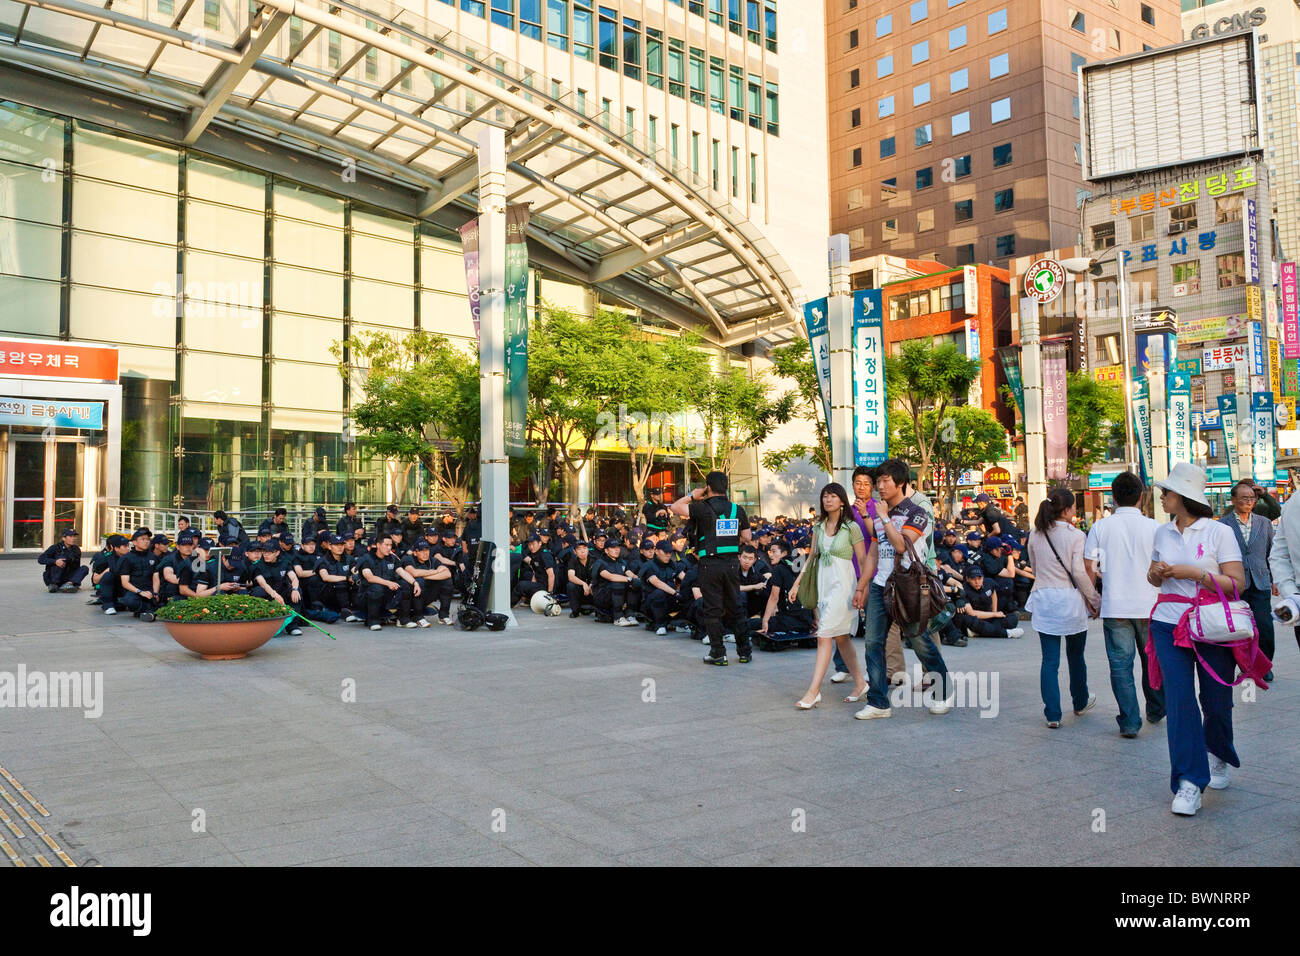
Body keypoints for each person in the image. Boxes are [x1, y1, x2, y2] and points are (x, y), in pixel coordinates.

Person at [1148, 463, 1249, 816]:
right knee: (1179, 702)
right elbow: (1154, 577)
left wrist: (1197, 574)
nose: (1161, 496)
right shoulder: (1162, 533)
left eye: (1167, 492)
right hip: (1167, 623)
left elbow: (1237, 582)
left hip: (1211, 625)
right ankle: (1189, 781)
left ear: (1184, 497)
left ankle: (1218, 752)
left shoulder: (1218, 532)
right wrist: (1155, 573)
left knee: (1216, 700)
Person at [854, 458, 954, 720]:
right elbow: (874, 554)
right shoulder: (879, 514)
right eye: (878, 482)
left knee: (920, 643)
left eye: (885, 481)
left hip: (908, 586)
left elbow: (901, 545)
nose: (880, 486)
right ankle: (878, 702)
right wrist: (861, 587)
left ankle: (943, 690)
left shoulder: (917, 512)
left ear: (900, 483)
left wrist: (884, 516)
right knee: (873, 644)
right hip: (880, 586)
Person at [1084, 471, 1165, 739]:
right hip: (1151, 606)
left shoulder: (1101, 527)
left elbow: (1089, 566)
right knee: (1151, 660)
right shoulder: (1155, 528)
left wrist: (1094, 597)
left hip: (1115, 606)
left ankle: (1130, 721)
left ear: (1113, 497)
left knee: (1120, 666)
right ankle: (1155, 709)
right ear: (1141, 497)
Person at [1027, 487, 1100, 730]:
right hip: (1069, 600)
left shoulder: (1035, 534)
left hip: (1044, 598)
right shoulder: (1076, 536)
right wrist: (1094, 599)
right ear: (1067, 510)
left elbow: (1035, 568)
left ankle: (1053, 714)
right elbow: (1079, 572)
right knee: (1076, 655)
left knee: (1049, 660)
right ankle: (1080, 702)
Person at [795, 483, 871, 709]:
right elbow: (811, 558)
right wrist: (797, 583)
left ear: (841, 501)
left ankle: (813, 691)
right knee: (841, 638)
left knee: (824, 635)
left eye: (833, 496)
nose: (828, 500)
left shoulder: (851, 527)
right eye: (825, 496)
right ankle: (860, 683)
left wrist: (862, 589)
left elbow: (863, 561)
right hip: (824, 585)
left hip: (844, 586)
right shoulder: (818, 526)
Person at [671, 471, 753, 665]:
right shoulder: (737, 509)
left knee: (713, 609)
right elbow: (747, 537)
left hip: (710, 564)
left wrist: (693, 495)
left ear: (708, 487)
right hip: (732, 563)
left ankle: (718, 653)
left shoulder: (701, 507)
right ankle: (744, 652)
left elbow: (675, 507)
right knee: (736, 607)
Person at [1219, 480, 1275, 682]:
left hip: (1260, 582)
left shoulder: (1264, 523)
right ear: (1233, 499)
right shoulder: (1222, 525)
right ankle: (1244, 666)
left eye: (1252, 498)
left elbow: (1271, 552)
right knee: (1238, 627)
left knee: (1264, 625)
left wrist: (1274, 578)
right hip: (1234, 583)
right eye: (1244, 498)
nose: (1249, 501)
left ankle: (1264, 666)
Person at [951, 565, 1024, 639]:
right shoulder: (964, 590)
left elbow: (993, 593)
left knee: (1013, 618)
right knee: (968, 620)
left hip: (988, 616)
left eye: (979, 578)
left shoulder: (989, 582)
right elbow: (971, 613)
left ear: (983, 577)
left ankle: (981, 632)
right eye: (973, 579)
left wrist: (994, 611)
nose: (977, 582)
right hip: (976, 618)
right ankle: (1007, 633)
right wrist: (994, 614)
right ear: (967, 579)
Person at [249, 543, 306, 636]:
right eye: (264, 552)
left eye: (269, 552)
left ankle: (292, 626)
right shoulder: (257, 566)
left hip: (281, 590)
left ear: (277, 553)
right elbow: (263, 584)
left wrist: (295, 589)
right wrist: (274, 595)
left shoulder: (285, 562)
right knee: (258, 592)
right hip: (267, 593)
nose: (266, 555)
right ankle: (267, 626)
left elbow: (294, 578)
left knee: (297, 592)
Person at [360, 537, 407, 631]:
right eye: (386, 545)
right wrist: (388, 583)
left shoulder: (392, 558)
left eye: (390, 545)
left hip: (386, 594)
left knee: (406, 585)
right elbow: (370, 577)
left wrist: (415, 582)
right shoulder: (366, 558)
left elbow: (402, 572)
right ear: (378, 545)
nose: (389, 548)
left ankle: (403, 618)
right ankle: (373, 620)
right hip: (367, 597)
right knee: (376, 587)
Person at [591, 537, 639, 626]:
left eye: (617, 547)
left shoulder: (622, 562)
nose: (616, 550)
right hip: (603, 596)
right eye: (613, 548)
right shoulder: (600, 563)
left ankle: (630, 615)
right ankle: (618, 617)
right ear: (606, 551)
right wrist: (629, 580)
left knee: (634, 585)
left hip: (618, 595)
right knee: (618, 583)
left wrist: (636, 579)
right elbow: (610, 577)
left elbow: (629, 573)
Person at [119, 528, 161, 622]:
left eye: (147, 539)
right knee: (128, 601)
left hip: (151, 590)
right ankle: (150, 610)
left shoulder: (153, 556)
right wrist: (140, 592)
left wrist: (155, 593)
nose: (146, 541)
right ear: (134, 542)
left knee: (165, 598)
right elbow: (125, 583)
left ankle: (146, 610)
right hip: (135, 591)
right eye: (142, 539)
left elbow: (156, 578)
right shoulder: (127, 558)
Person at [38, 528, 88, 593]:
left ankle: (68, 584)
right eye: (70, 536)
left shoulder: (76, 549)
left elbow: (77, 566)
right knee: (61, 560)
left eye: (74, 536)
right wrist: (55, 561)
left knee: (84, 568)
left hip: (68, 577)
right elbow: (40, 559)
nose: (73, 538)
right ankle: (54, 585)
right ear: (64, 538)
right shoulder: (55, 547)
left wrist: (76, 580)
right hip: (54, 577)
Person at [96, 534, 132, 614]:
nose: (128, 548)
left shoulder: (131, 557)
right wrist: (108, 570)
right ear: (115, 548)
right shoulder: (105, 558)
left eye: (128, 546)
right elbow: (95, 580)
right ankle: (108, 605)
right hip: (112, 588)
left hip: (127, 587)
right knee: (108, 575)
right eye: (125, 546)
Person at [565, 540, 598, 618]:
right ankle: (575, 611)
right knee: (570, 585)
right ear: (575, 551)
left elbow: (598, 575)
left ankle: (599, 610)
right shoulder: (572, 561)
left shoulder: (595, 560)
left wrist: (591, 585)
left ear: (588, 549)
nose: (582, 551)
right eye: (579, 549)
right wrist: (583, 584)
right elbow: (571, 576)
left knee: (599, 584)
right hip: (580, 591)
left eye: (584, 548)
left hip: (593, 590)